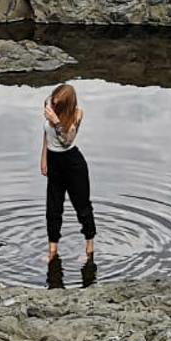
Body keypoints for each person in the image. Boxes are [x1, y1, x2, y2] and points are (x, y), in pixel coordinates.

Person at [40, 82, 96, 267]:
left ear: (68, 104)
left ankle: (89, 249)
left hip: (72, 164)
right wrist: (43, 158)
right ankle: (52, 250)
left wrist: (56, 121)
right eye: (54, 99)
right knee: (53, 208)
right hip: (54, 162)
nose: (54, 103)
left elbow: (66, 141)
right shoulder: (50, 102)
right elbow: (46, 132)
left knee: (82, 207)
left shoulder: (77, 114)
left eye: (58, 102)